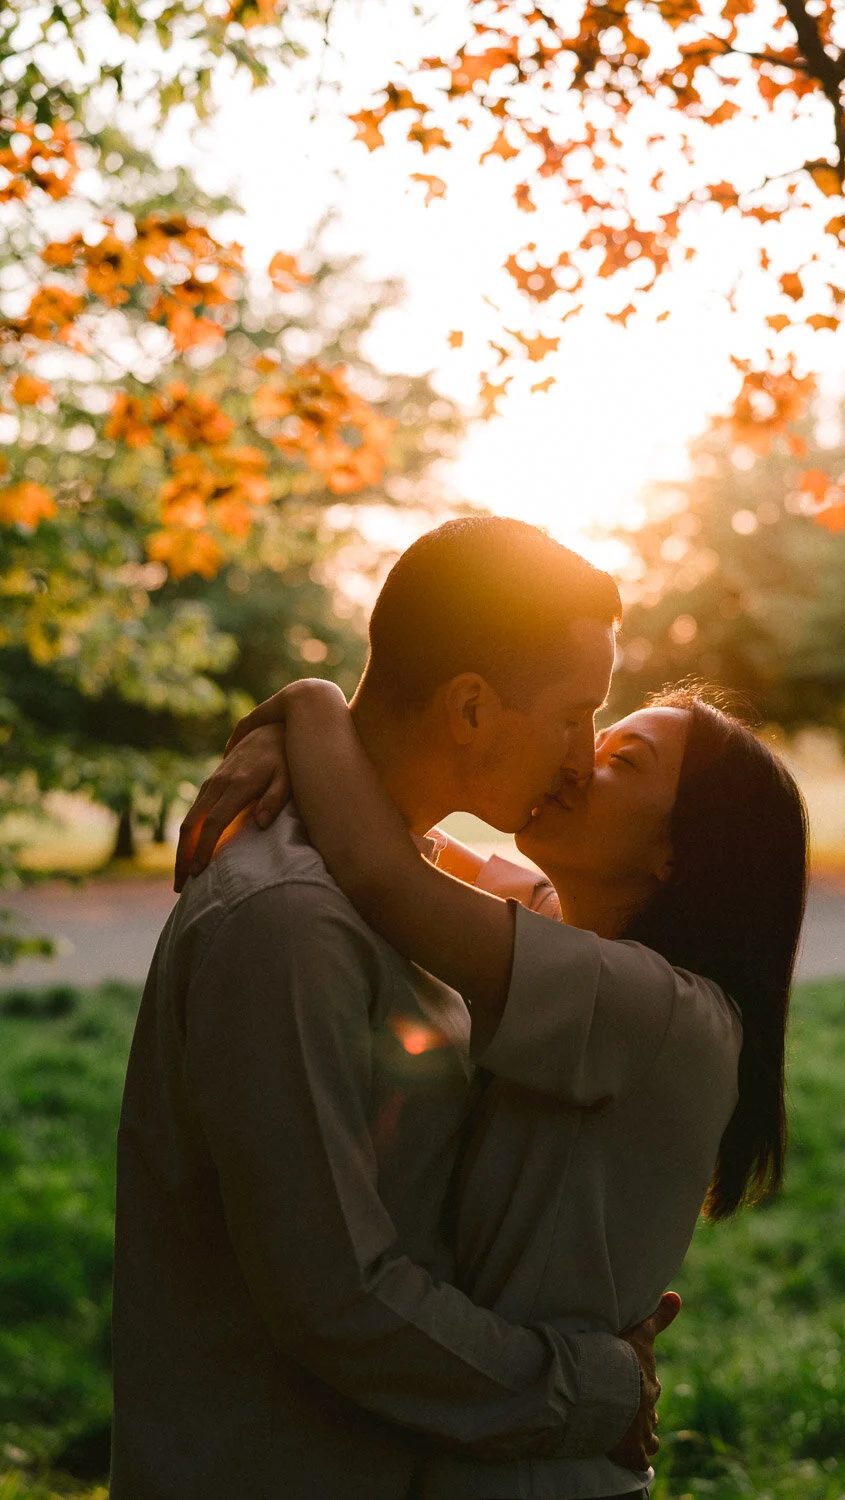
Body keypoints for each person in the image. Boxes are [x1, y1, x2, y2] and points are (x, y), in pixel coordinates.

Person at [111, 517, 676, 1500]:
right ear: (468, 710)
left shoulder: (407, 875)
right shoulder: (291, 925)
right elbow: (333, 1298)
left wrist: (304, 706)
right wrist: (590, 1389)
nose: (582, 756)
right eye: (575, 713)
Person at [176, 671, 809, 1500]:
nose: (581, 759)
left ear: (677, 850)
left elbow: (384, 873)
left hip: (534, 1471)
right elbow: (410, 835)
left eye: (625, 758)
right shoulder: (568, 933)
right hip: (503, 1442)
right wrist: (284, 744)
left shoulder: (652, 1007)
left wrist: (308, 702)